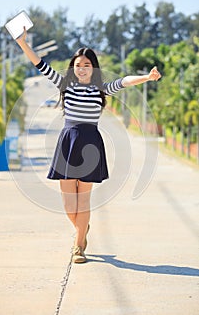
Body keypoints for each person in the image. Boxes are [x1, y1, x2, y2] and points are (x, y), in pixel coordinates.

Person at [16, 28, 161, 263]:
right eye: (78, 64)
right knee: (68, 204)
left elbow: (124, 81)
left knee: (83, 201)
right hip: (67, 144)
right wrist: (23, 43)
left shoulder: (100, 89)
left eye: (86, 64)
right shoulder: (64, 85)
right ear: (73, 67)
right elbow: (39, 64)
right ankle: (82, 230)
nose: (82, 68)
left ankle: (78, 246)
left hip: (90, 146)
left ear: (93, 68)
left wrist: (146, 77)